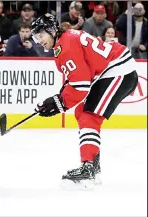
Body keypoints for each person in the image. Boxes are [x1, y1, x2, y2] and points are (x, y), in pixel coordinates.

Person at [31, 14, 138, 188]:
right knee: (81, 111)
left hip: (119, 70)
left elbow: (80, 86)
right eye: (36, 37)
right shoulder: (65, 42)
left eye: (40, 35)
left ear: (51, 30)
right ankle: (93, 168)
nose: (38, 40)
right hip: (112, 70)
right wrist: (57, 101)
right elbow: (76, 80)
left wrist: (59, 103)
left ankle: (88, 168)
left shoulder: (66, 45)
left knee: (89, 116)